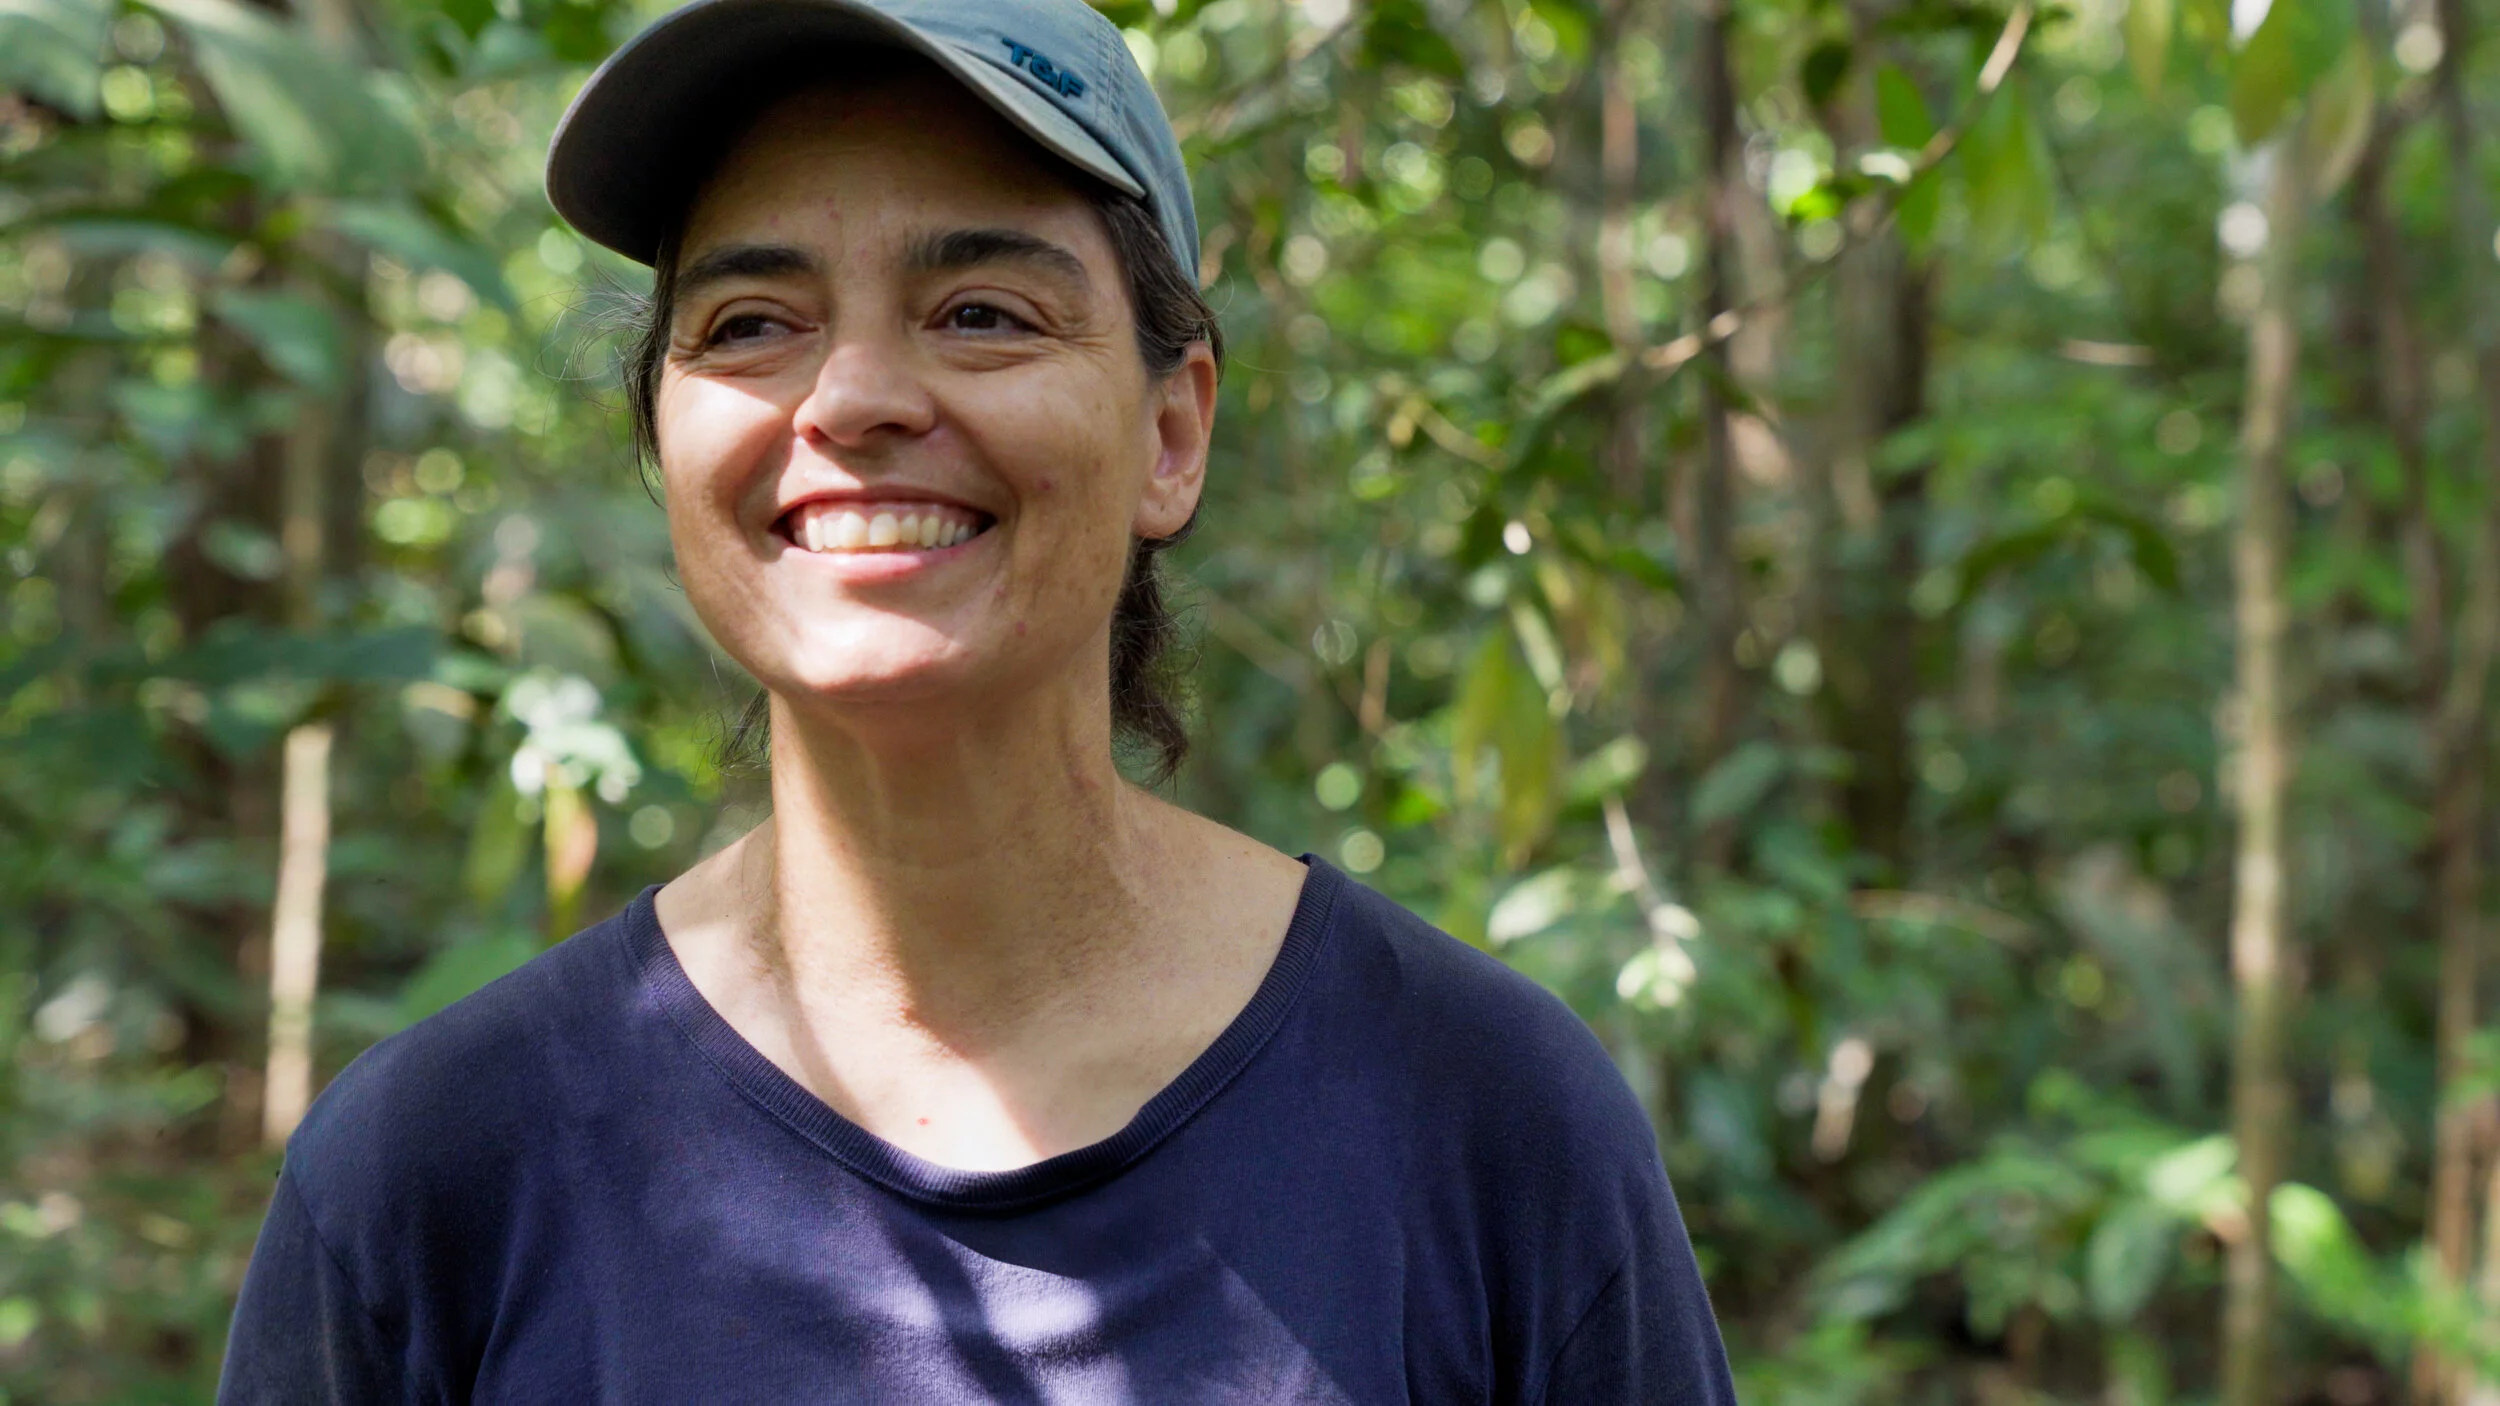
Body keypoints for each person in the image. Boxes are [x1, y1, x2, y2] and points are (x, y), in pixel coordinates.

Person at [217, 0, 1739, 1398]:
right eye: (753, 323)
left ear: (1172, 430)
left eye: (984, 312)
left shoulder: (1484, 1121)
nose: (854, 395)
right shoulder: (434, 1176)